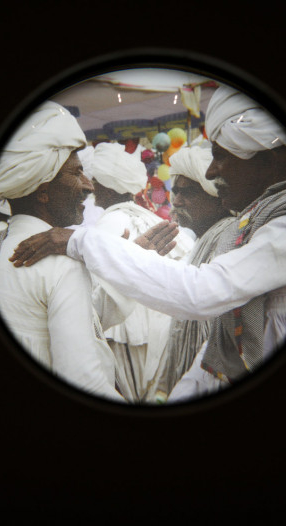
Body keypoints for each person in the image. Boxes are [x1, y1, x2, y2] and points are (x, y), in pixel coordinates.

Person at [7, 84, 286, 403]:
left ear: (268, 159)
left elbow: (201, 293)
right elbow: (218, 354)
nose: (211, 171)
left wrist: (81, 242)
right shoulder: (258, 220)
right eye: (78, 174)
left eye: (221, 156)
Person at [0, 101, 126, 402]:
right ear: (43, 192)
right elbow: (82, 379)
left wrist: (127, 269)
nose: (88, 186)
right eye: (77, 173)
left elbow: (79, 319)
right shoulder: (60, 262)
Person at [85, 142, 194, 402]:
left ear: (105, 186)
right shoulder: (152, 219)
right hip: (164, 334)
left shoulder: (108, 223)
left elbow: (99, 292)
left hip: (126, 333)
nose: (91, 187)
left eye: (95, 181)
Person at [145, 144, 236, 402]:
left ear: (218, 197)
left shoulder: (229, 238)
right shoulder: (205, 238)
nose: (176, 201)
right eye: (176, 191)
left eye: (189, 193)